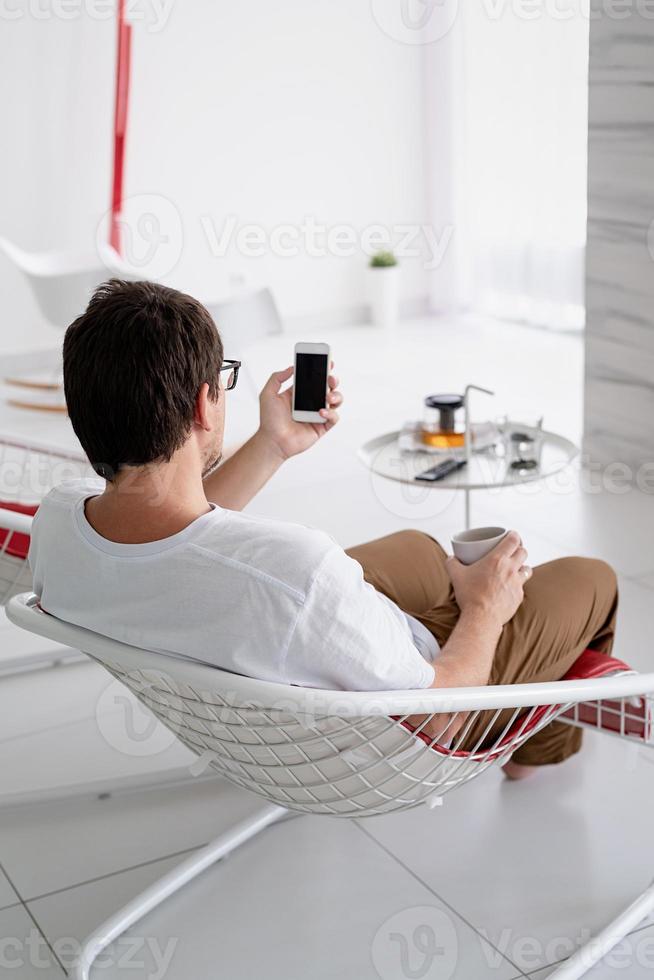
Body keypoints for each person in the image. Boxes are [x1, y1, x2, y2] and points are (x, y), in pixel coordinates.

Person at [29, 279, 618, 779]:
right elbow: (440, 714)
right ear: (205, 407)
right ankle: (531, 753)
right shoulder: (293, 569)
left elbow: (172, 532)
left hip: (257, 695)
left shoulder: (56, 524)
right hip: (386, 735)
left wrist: (272, 445)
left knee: (419, 548)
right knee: (590, 578)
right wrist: (486, 607)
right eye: (224, 379)